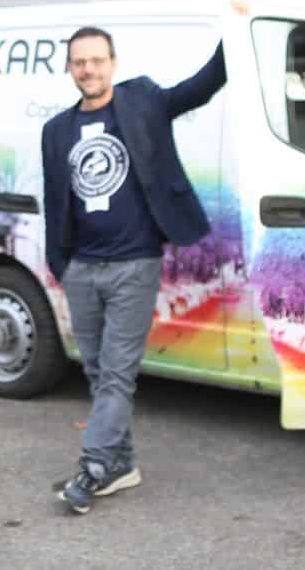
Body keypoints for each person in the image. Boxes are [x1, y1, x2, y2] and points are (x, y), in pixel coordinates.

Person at [41, 28, 226, 514]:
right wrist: (61, 264)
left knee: (117, 374)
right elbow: (53, 200)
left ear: (113, 63)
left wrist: (239, 31)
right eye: (79, 62)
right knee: (100, 372)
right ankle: (122, 464)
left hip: (134, 264)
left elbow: (201, 86)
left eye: (97, 60)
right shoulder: (56, 131)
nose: (88, 69)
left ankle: (94, 468)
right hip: (82, 267)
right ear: (69, 68)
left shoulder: (142, 102)